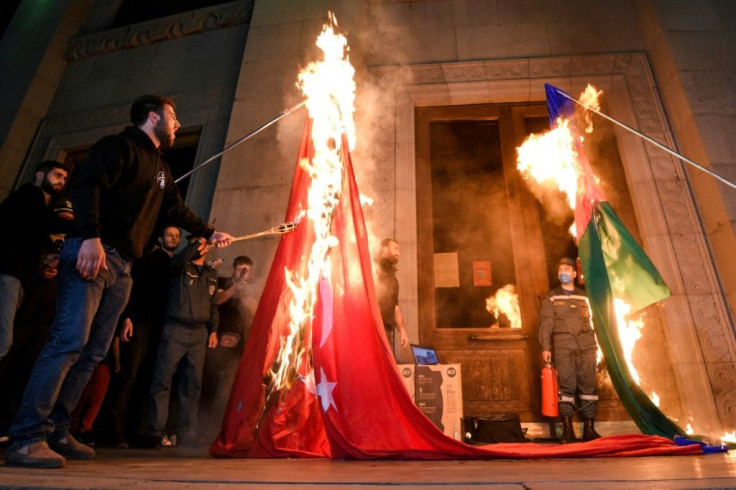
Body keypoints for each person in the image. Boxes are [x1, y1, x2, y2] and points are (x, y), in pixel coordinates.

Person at [5, 94, 233, 469]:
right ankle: (28, 436)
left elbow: (173, 207)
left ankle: (60, 430)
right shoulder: (119, 146)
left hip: (125, 266)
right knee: (68, 342)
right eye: (173, 116)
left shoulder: (160, 167)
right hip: (94, 252)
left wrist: (209, 231)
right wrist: (90, 236)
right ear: (152, 116)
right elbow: (87, 186)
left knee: (94, 352)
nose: (177, 123)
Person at [109, 225, 181, 448]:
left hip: (163, 327)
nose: (173, 238)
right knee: (129, 375)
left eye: (177, 236)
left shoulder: (177, 265)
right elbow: (132, 287)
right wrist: (127, 317)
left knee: (150, 378)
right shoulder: (149, 259)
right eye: (169, 234)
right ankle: (115, 431)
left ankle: (139, 430)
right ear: (160, 238)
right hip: (140, 322)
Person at [146, 236, 219, 447]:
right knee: (162, 381)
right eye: (195, 242)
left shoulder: (211, 274)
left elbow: (214, 306)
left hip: (199, 333)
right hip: (175, 329)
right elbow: (179, 260)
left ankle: (187, 433)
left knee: (192, 385)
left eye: (203, 243)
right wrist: (201, 238)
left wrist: (213, 330)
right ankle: (155, 431)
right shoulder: (178, 267)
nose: (200, 246)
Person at [0, 161, 69, 361]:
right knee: (3, 342)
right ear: (39, 175)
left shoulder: (31, 210)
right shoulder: (30, 194)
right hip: (8, 275)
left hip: (16, 278)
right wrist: (86, 228)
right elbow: (47, 221)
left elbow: (29, 234)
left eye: (64, 178)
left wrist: (45, 256)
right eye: (57, 176)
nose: (62, 181)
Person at [538, 257, 601, 443]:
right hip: (563, 347)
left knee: (589, 387)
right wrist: (545, 347)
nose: (563, 272)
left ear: (574, 273)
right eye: (560, 269)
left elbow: (596, 323)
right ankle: (567, 431)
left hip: (587, 347)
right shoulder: (551, 297)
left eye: (566, 268)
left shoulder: (585, 297)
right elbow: (546, 325)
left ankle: (589, 430)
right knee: (566, 388)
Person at [199, 255, 257, 440]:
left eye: (246, 270)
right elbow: (215, 301)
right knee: (208, 386)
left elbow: (256, 316)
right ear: (233, 269)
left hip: (238, 346)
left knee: (227, 390)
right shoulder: (223, 282)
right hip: (216, 341)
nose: (243, 273)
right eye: (240, 269)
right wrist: (234, 288)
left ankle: (219, 429)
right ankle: (200, 429)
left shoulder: (252, 289)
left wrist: (252, 307)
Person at [375, 238, 409, 359]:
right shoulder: (374, 267)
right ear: (384, 249)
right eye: (395, 249)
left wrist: (402, 331)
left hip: (386, 330)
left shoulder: (392, 277)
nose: (398, 254)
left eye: (399, 250)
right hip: (373, 328)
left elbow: (395, 307)